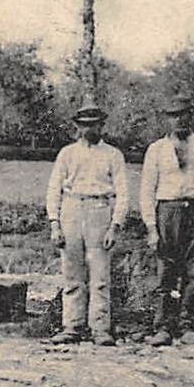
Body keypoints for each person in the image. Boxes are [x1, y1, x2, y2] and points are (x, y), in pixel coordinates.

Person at [140, 95, 194, 346]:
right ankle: (163, 327)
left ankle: (187, 325)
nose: (179, 120)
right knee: (166, 271)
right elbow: (147, 190)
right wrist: (151, 227)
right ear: (167, 119)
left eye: (183, 114)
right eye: (173, 115)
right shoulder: (156, 150)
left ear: (191, 116)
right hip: (168, 211)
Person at [44, 104, 129, 346]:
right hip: (71, 209)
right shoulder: (67, 154)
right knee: (72, 273)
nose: (89, 128)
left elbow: (122, 193)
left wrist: (115, 225)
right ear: (77, 127)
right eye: (84, 124)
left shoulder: (113, 155)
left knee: (100, 274)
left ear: (102, 125)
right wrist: (54, 223)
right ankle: (72, 326)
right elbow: (54, 190)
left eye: (94, 123)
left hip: (99, 210)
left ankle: (100, 328)